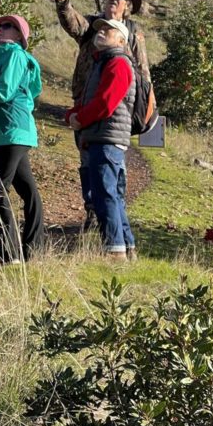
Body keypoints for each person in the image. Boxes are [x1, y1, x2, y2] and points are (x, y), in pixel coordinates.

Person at [52, 0, 149, 229]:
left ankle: (114, 211)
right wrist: (63, 2)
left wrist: (145, 106)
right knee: (87, 159)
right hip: (85, 100)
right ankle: (93, 210)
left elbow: (143, 71)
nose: (112, 1)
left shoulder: (133, 33)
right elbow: (73, 23)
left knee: (113, 160)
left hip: (119, 107)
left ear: (127, 7)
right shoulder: (93, 27)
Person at [64, 18, 137, 261]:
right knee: (112, 194)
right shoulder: (104, 63)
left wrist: (80, 119)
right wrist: (74, 115)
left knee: (105, 193)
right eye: (100, 29)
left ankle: (115, 250)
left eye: (108, 30)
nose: (101, 32)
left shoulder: (117, 63)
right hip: (104, 136)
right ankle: (126, 247)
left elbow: (105, 104)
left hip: (106, 138)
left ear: (121, 40)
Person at [0, 14, 44, 263]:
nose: (0, 29)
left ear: (20, 36)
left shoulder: (14, 54)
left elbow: (2, 91)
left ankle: (11, 252)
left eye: (8, 26)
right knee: (26, 189)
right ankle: (34, 248)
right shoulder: (3, 57)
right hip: (10, 131)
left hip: (11, 130)